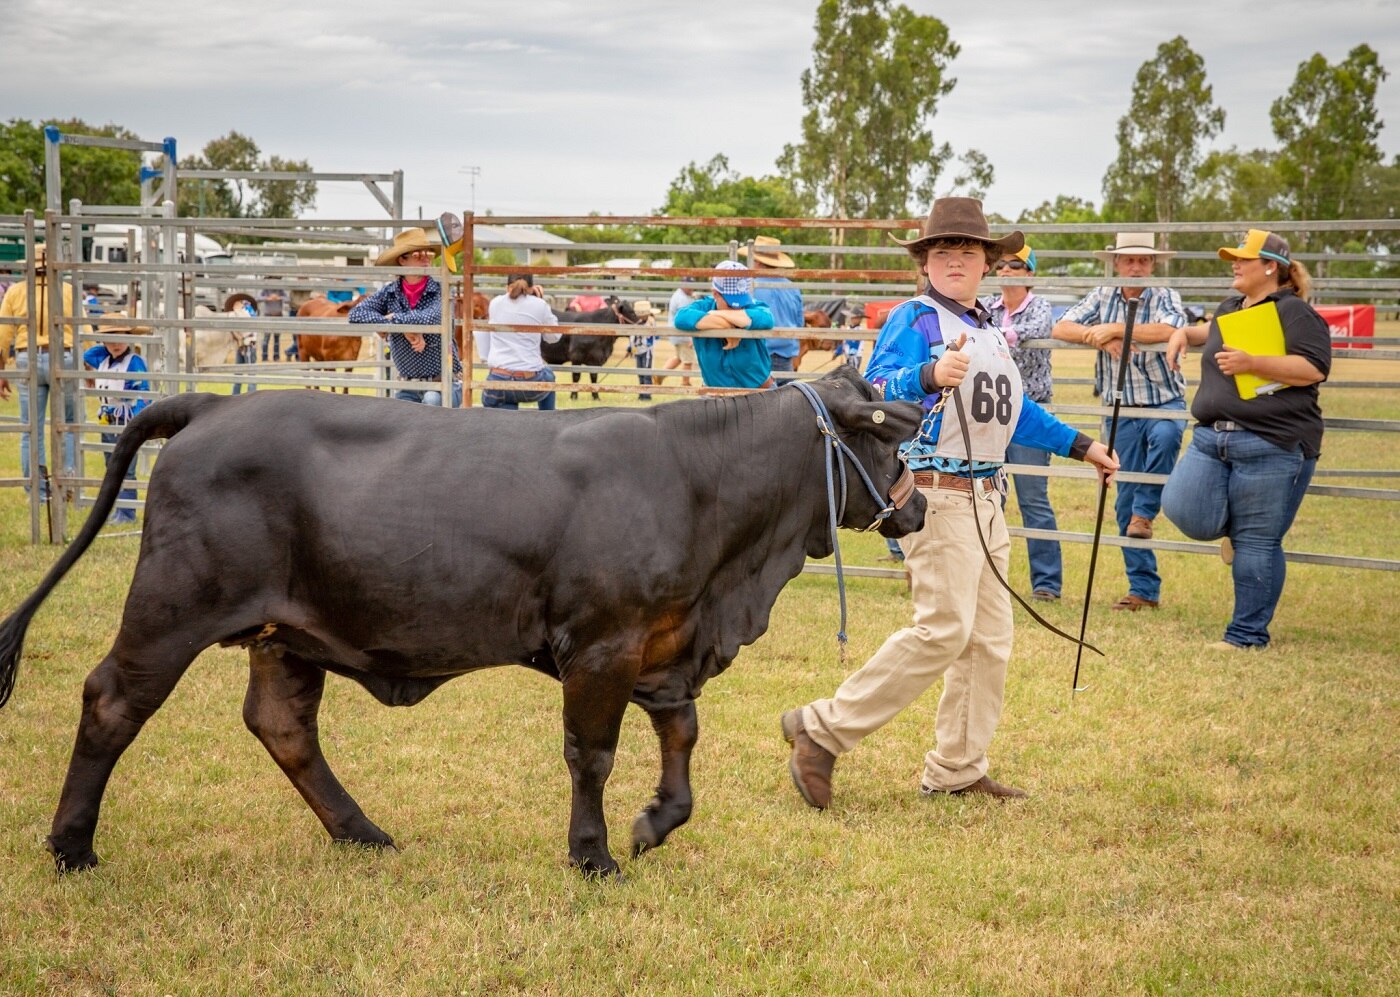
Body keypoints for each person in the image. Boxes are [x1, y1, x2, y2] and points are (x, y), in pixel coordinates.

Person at [782, 198, 1119, 808]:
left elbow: (1014, 411)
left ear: (988, 262)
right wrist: (929, 376)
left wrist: (1082, 444)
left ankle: (957, 768)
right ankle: (821, 729)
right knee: (944, 629)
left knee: (989, 639)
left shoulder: (989, 330)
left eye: (967, 251)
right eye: (942, 252)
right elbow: (874, 390)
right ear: (926, 262)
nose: (955, 261)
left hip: (988, 496)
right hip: (937, 495)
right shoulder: (915, 319)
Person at [1161, 230, 1330, 651]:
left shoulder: (1294, 312)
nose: (1234, 265)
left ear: (1271, 266)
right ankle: (1243, 531)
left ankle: (1246, 636)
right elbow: (1215, 332)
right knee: (1182, 508)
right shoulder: (1232, 307)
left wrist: (1254, 363)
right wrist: (1185, 333)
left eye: (1243, 259)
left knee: (1259, 542)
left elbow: (1313, 369)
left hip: (1271, 443)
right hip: (1211, 438)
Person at [1052, 232, 1188, 611]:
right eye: (1129, 260)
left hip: (1164, 400)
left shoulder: (1164, 294)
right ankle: (1143, 590)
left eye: (1143, 261)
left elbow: (1170, 329)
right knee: (1121, 496)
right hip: (1120, 408)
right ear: (1115, 263)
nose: (1136, 267)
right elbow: (1061, 326)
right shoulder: (1103, 294)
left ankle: (1147, 513)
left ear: (1153, 264)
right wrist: (1098, 338)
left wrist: (1116, 329)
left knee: (1167, 434)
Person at [986, 244, 1062, 601]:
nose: (1006, 270)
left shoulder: (1040, 306)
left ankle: (1046, 583)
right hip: (992, 411)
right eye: (1001, 264)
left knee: (1033, 499)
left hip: (1030, 410)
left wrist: (999, 338)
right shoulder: (988, 305)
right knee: (989, 496)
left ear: (1029, 272)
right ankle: (987, 574)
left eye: (1015, 265)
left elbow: (1035, 329)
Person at [0, 243, 81, 498]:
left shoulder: (16, 291)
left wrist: (2, 369)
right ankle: (66, 480)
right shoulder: (67, 290)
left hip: (28, 357)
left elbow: (3, 333)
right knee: (67, 423)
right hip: (63, 355)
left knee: (30, 427)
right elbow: (84, 329)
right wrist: (89, 366)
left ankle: (38, 489)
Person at [350, 228, 462, 407]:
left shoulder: (442, 290)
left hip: (443, 382)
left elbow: (431, 317)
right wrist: (405, 329)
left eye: (428, 254)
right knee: (399, 415)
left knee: (431, 402)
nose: (426, 259)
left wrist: (393, 320)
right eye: (418, 255)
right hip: (407, 384)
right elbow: (356, 314)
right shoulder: (389, 292)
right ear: (403, 260)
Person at [82, 311, 151, 525]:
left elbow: (143, 393)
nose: (116, 344)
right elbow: (88, 355)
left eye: (121, 337)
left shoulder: (134, 362)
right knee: (111, 466)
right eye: (110, 339)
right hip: (107, 422)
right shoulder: (103, 360)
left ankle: (127, 512)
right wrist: (106, 345)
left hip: (126, 420)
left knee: (126, 468)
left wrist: (137, 421)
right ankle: (118, 510)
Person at [673, 261, 775, 390]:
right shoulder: (702, 306)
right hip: (716, 397)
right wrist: (730, 327)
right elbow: (681, 318)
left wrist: (714, 315)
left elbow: (767, 319)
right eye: (730, 304)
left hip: (758, 393)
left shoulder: (755, 306)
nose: (736, 309)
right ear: (715, 293)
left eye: (741, 303)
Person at [481, 272, 562, 410]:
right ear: (531, 288)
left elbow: (510, 300)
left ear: (508, 286)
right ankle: (547, 420)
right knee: (549, 375)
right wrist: (539, 299)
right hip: (529, 382)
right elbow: (554, 337)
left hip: (498, 381)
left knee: (507, 401)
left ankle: (510, 423)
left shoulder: (494, 303)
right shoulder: (540, 304)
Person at [742, 236, 803, 377]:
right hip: (785, 355)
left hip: (757, 354)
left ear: (757, 262)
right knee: (786, 397)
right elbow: (799, 323)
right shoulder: (793, 288)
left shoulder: (750, 287)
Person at [663, 280, 698, 386]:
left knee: (678, 358)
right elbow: (685, 319)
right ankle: (685, 383)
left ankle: (659, 375)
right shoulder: (682, 299)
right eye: (690, 287)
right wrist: (691, 337)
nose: (692, 289)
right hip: (682, 334)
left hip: (676, 333)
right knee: (688, 360)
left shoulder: (679, 295)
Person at [225, 293, 260, 396]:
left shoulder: (246, 312)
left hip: (249, 345)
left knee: (250, 373)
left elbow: (250, 330)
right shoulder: (235, 314)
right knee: (238, 372)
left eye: (237, 303)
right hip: (241, 345)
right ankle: (235, 395)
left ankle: (251, 395)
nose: (235, 305)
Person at [628, 298, 657, 401]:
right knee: (640, 373)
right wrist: (630, 347)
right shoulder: (636, 322)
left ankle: (647, 395)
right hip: (637, 350)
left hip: (647, 351)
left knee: (646, 373)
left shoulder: (651, 322)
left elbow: (655, 336)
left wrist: (650, 341)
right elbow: (632, 335)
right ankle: (641, 393)